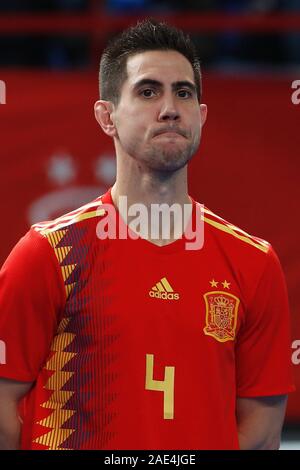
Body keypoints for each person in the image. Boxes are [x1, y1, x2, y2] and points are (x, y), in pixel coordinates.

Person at [0, 19, 295, 450]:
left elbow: (264, 434)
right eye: (147, 91)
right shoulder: (46, 254)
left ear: (202, 116)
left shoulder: (254, 263)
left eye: (184, 92)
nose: (170, 107)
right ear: (107, 116)